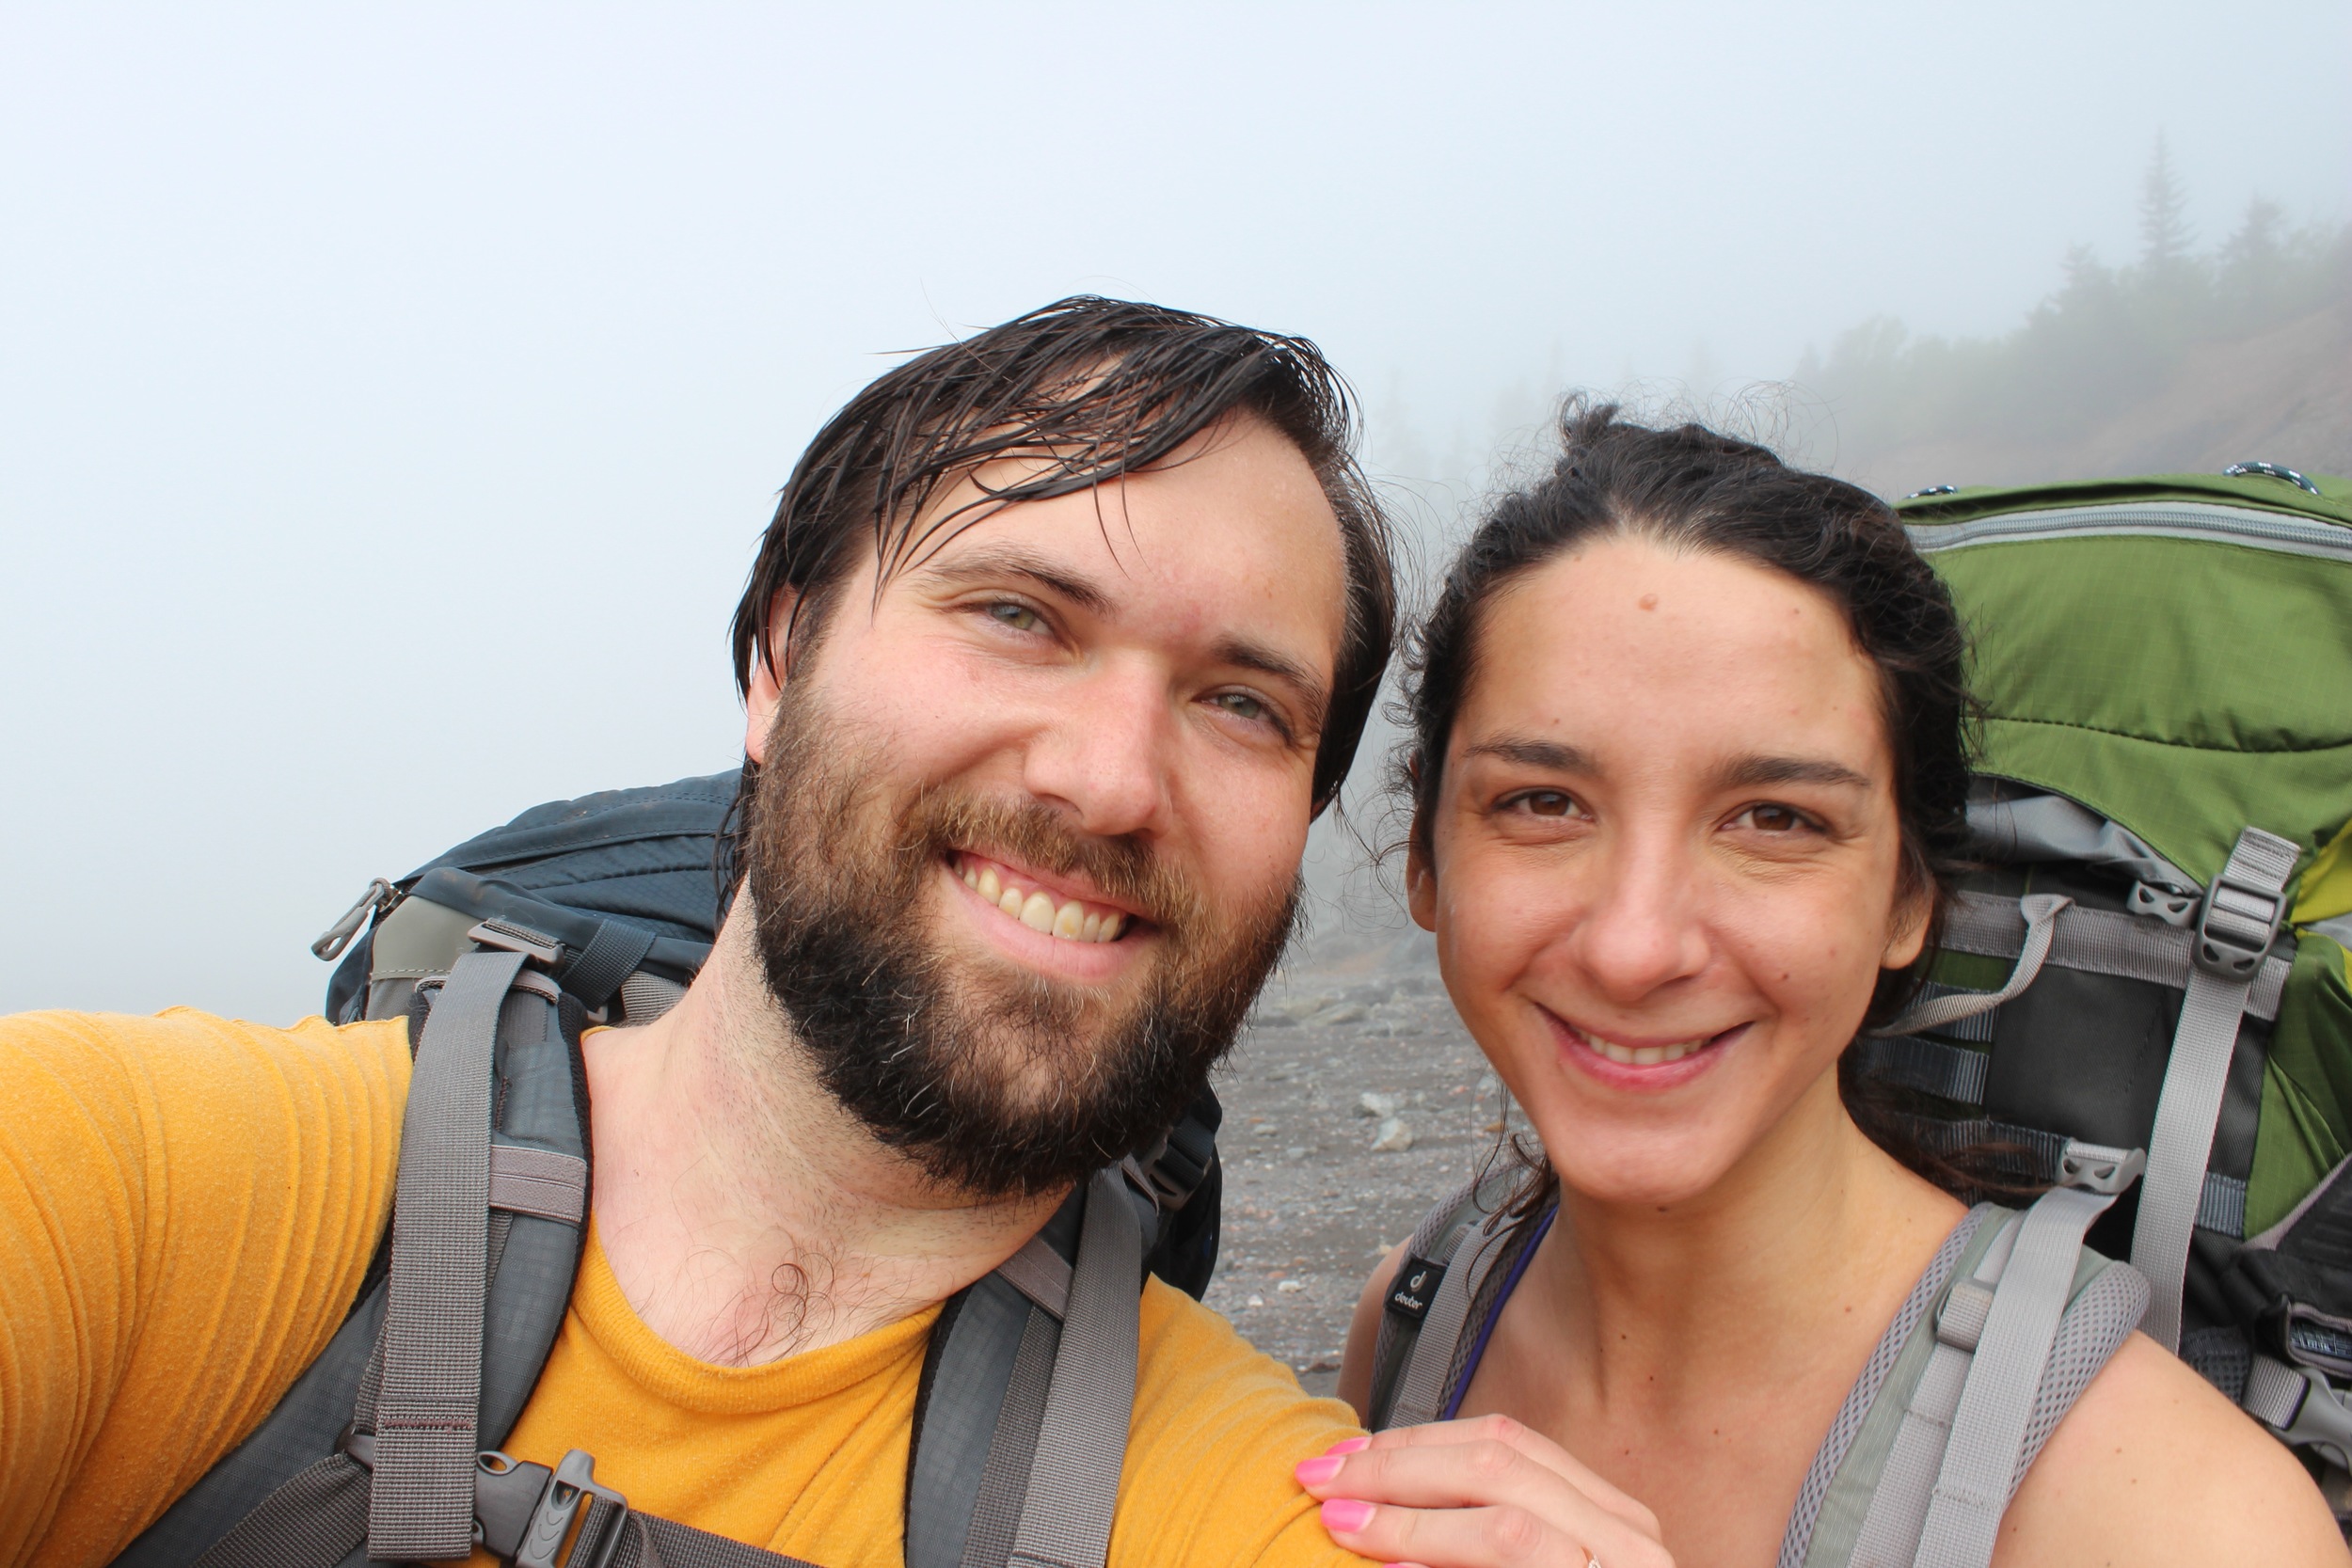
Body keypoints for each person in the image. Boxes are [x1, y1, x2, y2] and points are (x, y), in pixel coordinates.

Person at [0, 297, 1413, 1567]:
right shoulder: (124, 1178)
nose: (1110, 781)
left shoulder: (1273, 1509)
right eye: (1018, 614)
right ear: (780, 660)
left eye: (1242, 702)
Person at [1291, 404, 2346, 1567]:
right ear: (1427, 860)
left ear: (1908, 899)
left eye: (1774, 818)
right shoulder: (1415, 1322)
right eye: (1542, 801)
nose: (1635, 947)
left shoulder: (2174, 1517)